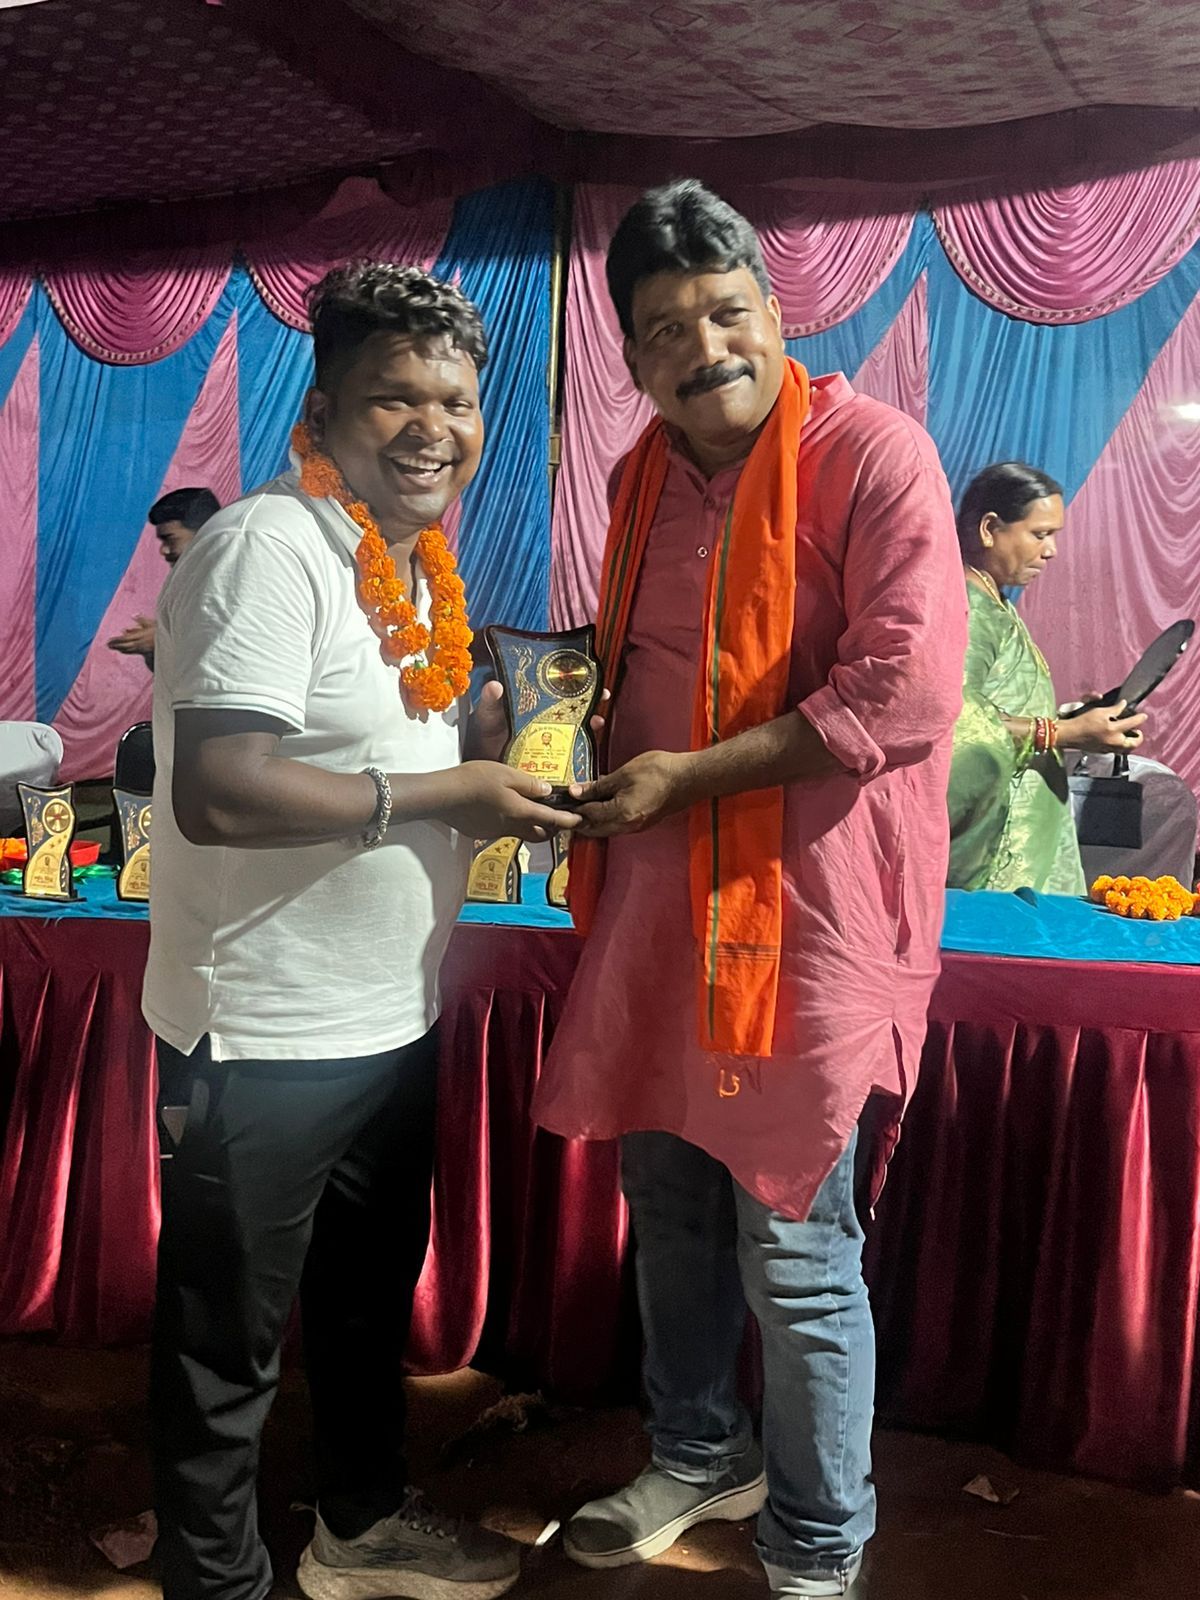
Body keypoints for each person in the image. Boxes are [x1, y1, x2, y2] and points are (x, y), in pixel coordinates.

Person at [533, 181, 968, 1598]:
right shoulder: (638, 479)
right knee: (668, 1205)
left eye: (726, 313)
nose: (703, 348)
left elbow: (902, 694)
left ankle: (819, 1542)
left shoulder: (873, 455)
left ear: (776, 313)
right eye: (665, 329)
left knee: (794, 1244)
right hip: (658, 915)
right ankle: (698, 1448)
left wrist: (687, 779)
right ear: (631, 354)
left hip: (810, 918)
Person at [143, 261, 578, 1600]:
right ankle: (215, 1581)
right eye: (396, 397)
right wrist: (443, 791)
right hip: (258, 1034)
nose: (434, 427)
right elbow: (220, 791)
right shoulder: (265, 549)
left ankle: (360, 1524)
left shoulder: (408, 565)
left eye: (457, 400)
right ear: (322, 414)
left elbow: (369, 746)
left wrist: (489, 739)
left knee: (362, 1303)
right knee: (225, 1347)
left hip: (388, 1020)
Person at [947, 461, 1146, 893]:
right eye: (1040, 534)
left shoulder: (994, 602)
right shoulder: (971, 607)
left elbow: (998, 706)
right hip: (998, 858)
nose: (1051, 550)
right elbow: (954, 721)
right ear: (989, 529)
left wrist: (1075, 720)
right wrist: (1062, 732)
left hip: (1025, 837)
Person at [107, 486, 220, 665]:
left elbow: (232, 649)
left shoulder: (233, 579)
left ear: (204, 533)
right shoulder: (185, 586)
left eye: (171, 539)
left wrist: (161, 640)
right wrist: (153, 649)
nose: (163, 550)